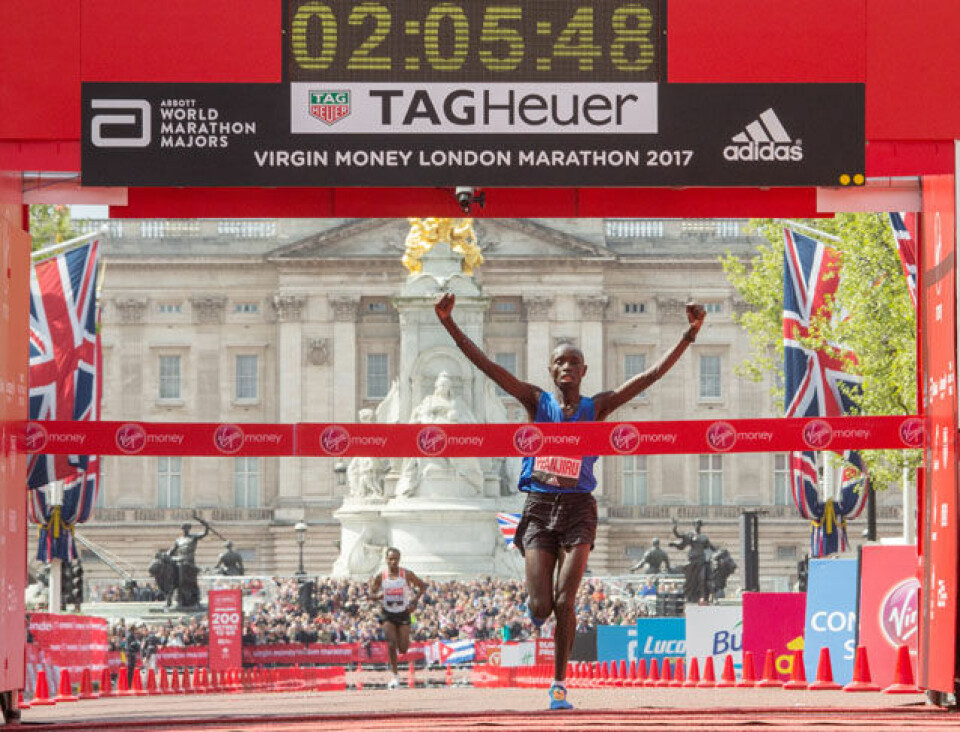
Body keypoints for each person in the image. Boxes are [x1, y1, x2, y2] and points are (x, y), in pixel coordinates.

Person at [435, 292, 705, 710]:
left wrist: (690, 334)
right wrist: (448, 323)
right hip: (540, 506)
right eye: (558, 362)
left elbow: (649, 376)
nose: (565, 367)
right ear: (551, 370)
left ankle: (558, 685)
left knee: (566, 601)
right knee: (541, 605)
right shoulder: (535, 401)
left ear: (583, 371)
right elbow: (488, 367)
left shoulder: (596, 407)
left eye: (572, 362)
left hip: (579, 506)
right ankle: (537, 609)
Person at [369, 547, 427, 689]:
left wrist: (414, 601)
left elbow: (422, 586)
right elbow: (371, 594)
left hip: (403, 612)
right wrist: (377, 597)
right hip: (387, 613)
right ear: (386, 559)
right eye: (390, 558)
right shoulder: (380, 576)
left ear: (399, 559)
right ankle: (395, 676)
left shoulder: (406, 574)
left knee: (403, 649)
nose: (393, 561)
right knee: (391, 643)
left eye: (396, 558)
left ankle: (398, 663)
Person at [670, 518, 717, 604]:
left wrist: (719, 552)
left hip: (701, 560)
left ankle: (703, 597)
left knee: (703, 579)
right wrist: (675, 528)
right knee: (690, 579)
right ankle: (689, 596)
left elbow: (711, 547)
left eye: (699, 524)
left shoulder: (704, 537)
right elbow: (679, 537)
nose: (698, 525)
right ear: (694, 524)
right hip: (692, 560)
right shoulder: (690, 534)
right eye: (696, 524)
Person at [167, 520, 210, 607]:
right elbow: (171, 551)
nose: (185, 529)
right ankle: (172, 600)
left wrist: (205, 525)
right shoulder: (178, 540)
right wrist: (165, 555)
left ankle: (196, 599)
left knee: (191, 582)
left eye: (187, 528)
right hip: (179, 563)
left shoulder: (193, 537)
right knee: (174, 581)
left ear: (189, 529)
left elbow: (205, 533)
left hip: (189, 564)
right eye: (184, 528)